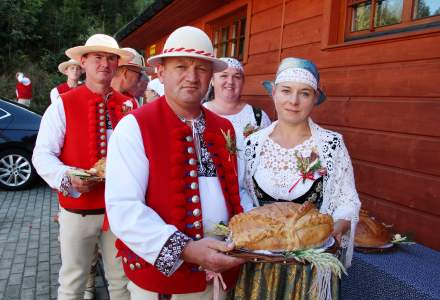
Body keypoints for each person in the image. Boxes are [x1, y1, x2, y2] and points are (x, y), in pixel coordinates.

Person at [105, 26, 248, 300]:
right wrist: (186, 249)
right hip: (162, 282)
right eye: (181, 66)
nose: (192, 77)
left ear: (210, 76)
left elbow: (238, 191)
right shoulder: (135, 126)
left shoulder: (224, 128)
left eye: (202, 69)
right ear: (161, 72)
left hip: (220, 274)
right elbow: (123, 208)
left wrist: (243, 239)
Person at [228, 57, 361, 300]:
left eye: (305, 93)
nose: (294, 101)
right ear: (274, 93)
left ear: (315, 99)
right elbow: (240, 192)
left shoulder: (331, 145)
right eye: (286, 91)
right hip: (256, 264)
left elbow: (348, 201)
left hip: (308, 272)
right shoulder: (252, 144)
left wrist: (336, 229)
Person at [32, 33, 134, 300]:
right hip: (78, 212)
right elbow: (42, 155)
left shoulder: (129, 105)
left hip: (120, 211)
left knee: (122, 283)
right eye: (98, 57)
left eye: (111, 58)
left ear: (117, 65)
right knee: (73, 282)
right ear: (84, 61)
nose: (104, 63)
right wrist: (68, 177)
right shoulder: (62, 105)